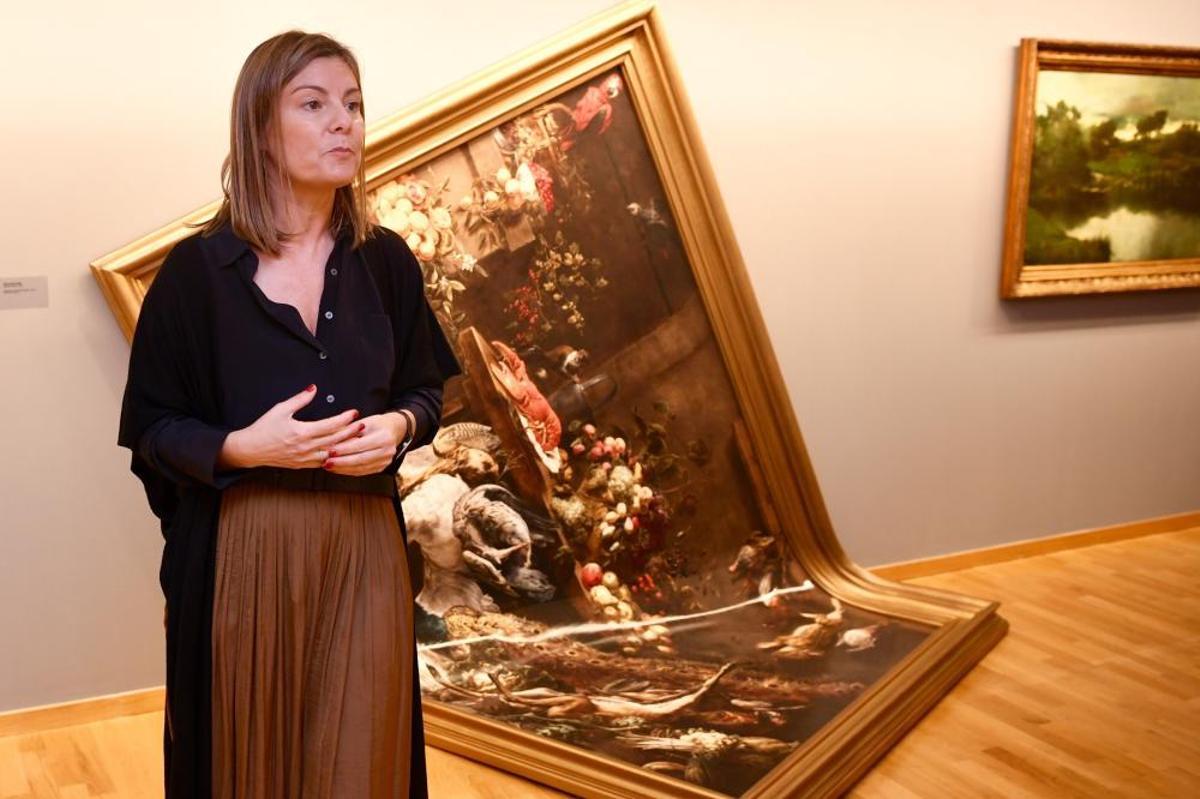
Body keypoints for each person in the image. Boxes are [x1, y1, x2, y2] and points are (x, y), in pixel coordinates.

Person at [116, 30, 461, 798]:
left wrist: (399, 427)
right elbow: (153, 429)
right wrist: (245, 446)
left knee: (363, 763)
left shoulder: (387, 262)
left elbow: (425, 390)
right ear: (261, 128)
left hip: (366, 550)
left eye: (353, 105)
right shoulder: (196, 274)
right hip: (246, 556)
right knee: (252, 769)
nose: (343, 122)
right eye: (313, 104)